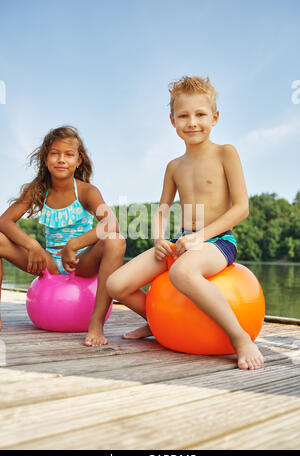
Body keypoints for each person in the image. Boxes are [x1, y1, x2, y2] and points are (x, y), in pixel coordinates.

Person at [107, 76, 264, 370]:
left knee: (181, 273)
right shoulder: (174, 166)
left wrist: (200, 238)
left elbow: (242, 208)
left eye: (200, 114)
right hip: (181, 241)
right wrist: (158, 239)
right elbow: (162, 209)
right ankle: (157, 322)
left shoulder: (225, 153)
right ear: (172, 120)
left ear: (215, 117)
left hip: (217, 242)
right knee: (116, 284)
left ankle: (240, 337)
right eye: (184, 116)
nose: (192, 122)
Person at [0, 126, 125, 346]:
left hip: (81, 262)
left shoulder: (87, 191)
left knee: (116, 240)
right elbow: (4, 221)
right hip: (48, 262)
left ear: (78, 160)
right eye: (55, 153)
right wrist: (32, 245)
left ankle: (96, 323)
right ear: (45, 158)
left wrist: (74, 245)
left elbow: (111, 223)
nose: (61, 159)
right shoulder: (38, 189)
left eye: (68, 154)